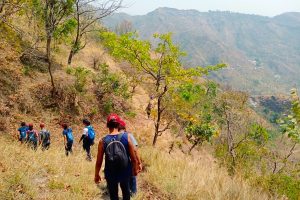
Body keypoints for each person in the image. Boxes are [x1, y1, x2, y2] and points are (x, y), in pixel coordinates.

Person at [95, 114, 140, 200]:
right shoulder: (127, 137)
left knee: (113, 195)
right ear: (118, 124)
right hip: (125, 170)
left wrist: (97, 174)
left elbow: (99, 161)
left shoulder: (103, 141)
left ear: (107, 125)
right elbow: (133, 158)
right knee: (126, 192)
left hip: (110, 172)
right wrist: (135, 168)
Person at [118, 119, 142, 196]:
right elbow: (135, 150)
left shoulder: (114, 136)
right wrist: (139, 162)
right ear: (124, 127)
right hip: (129, 161)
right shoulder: (129, 135)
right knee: (132, 176)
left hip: (118, 162)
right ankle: (133, 193)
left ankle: (126, 193)